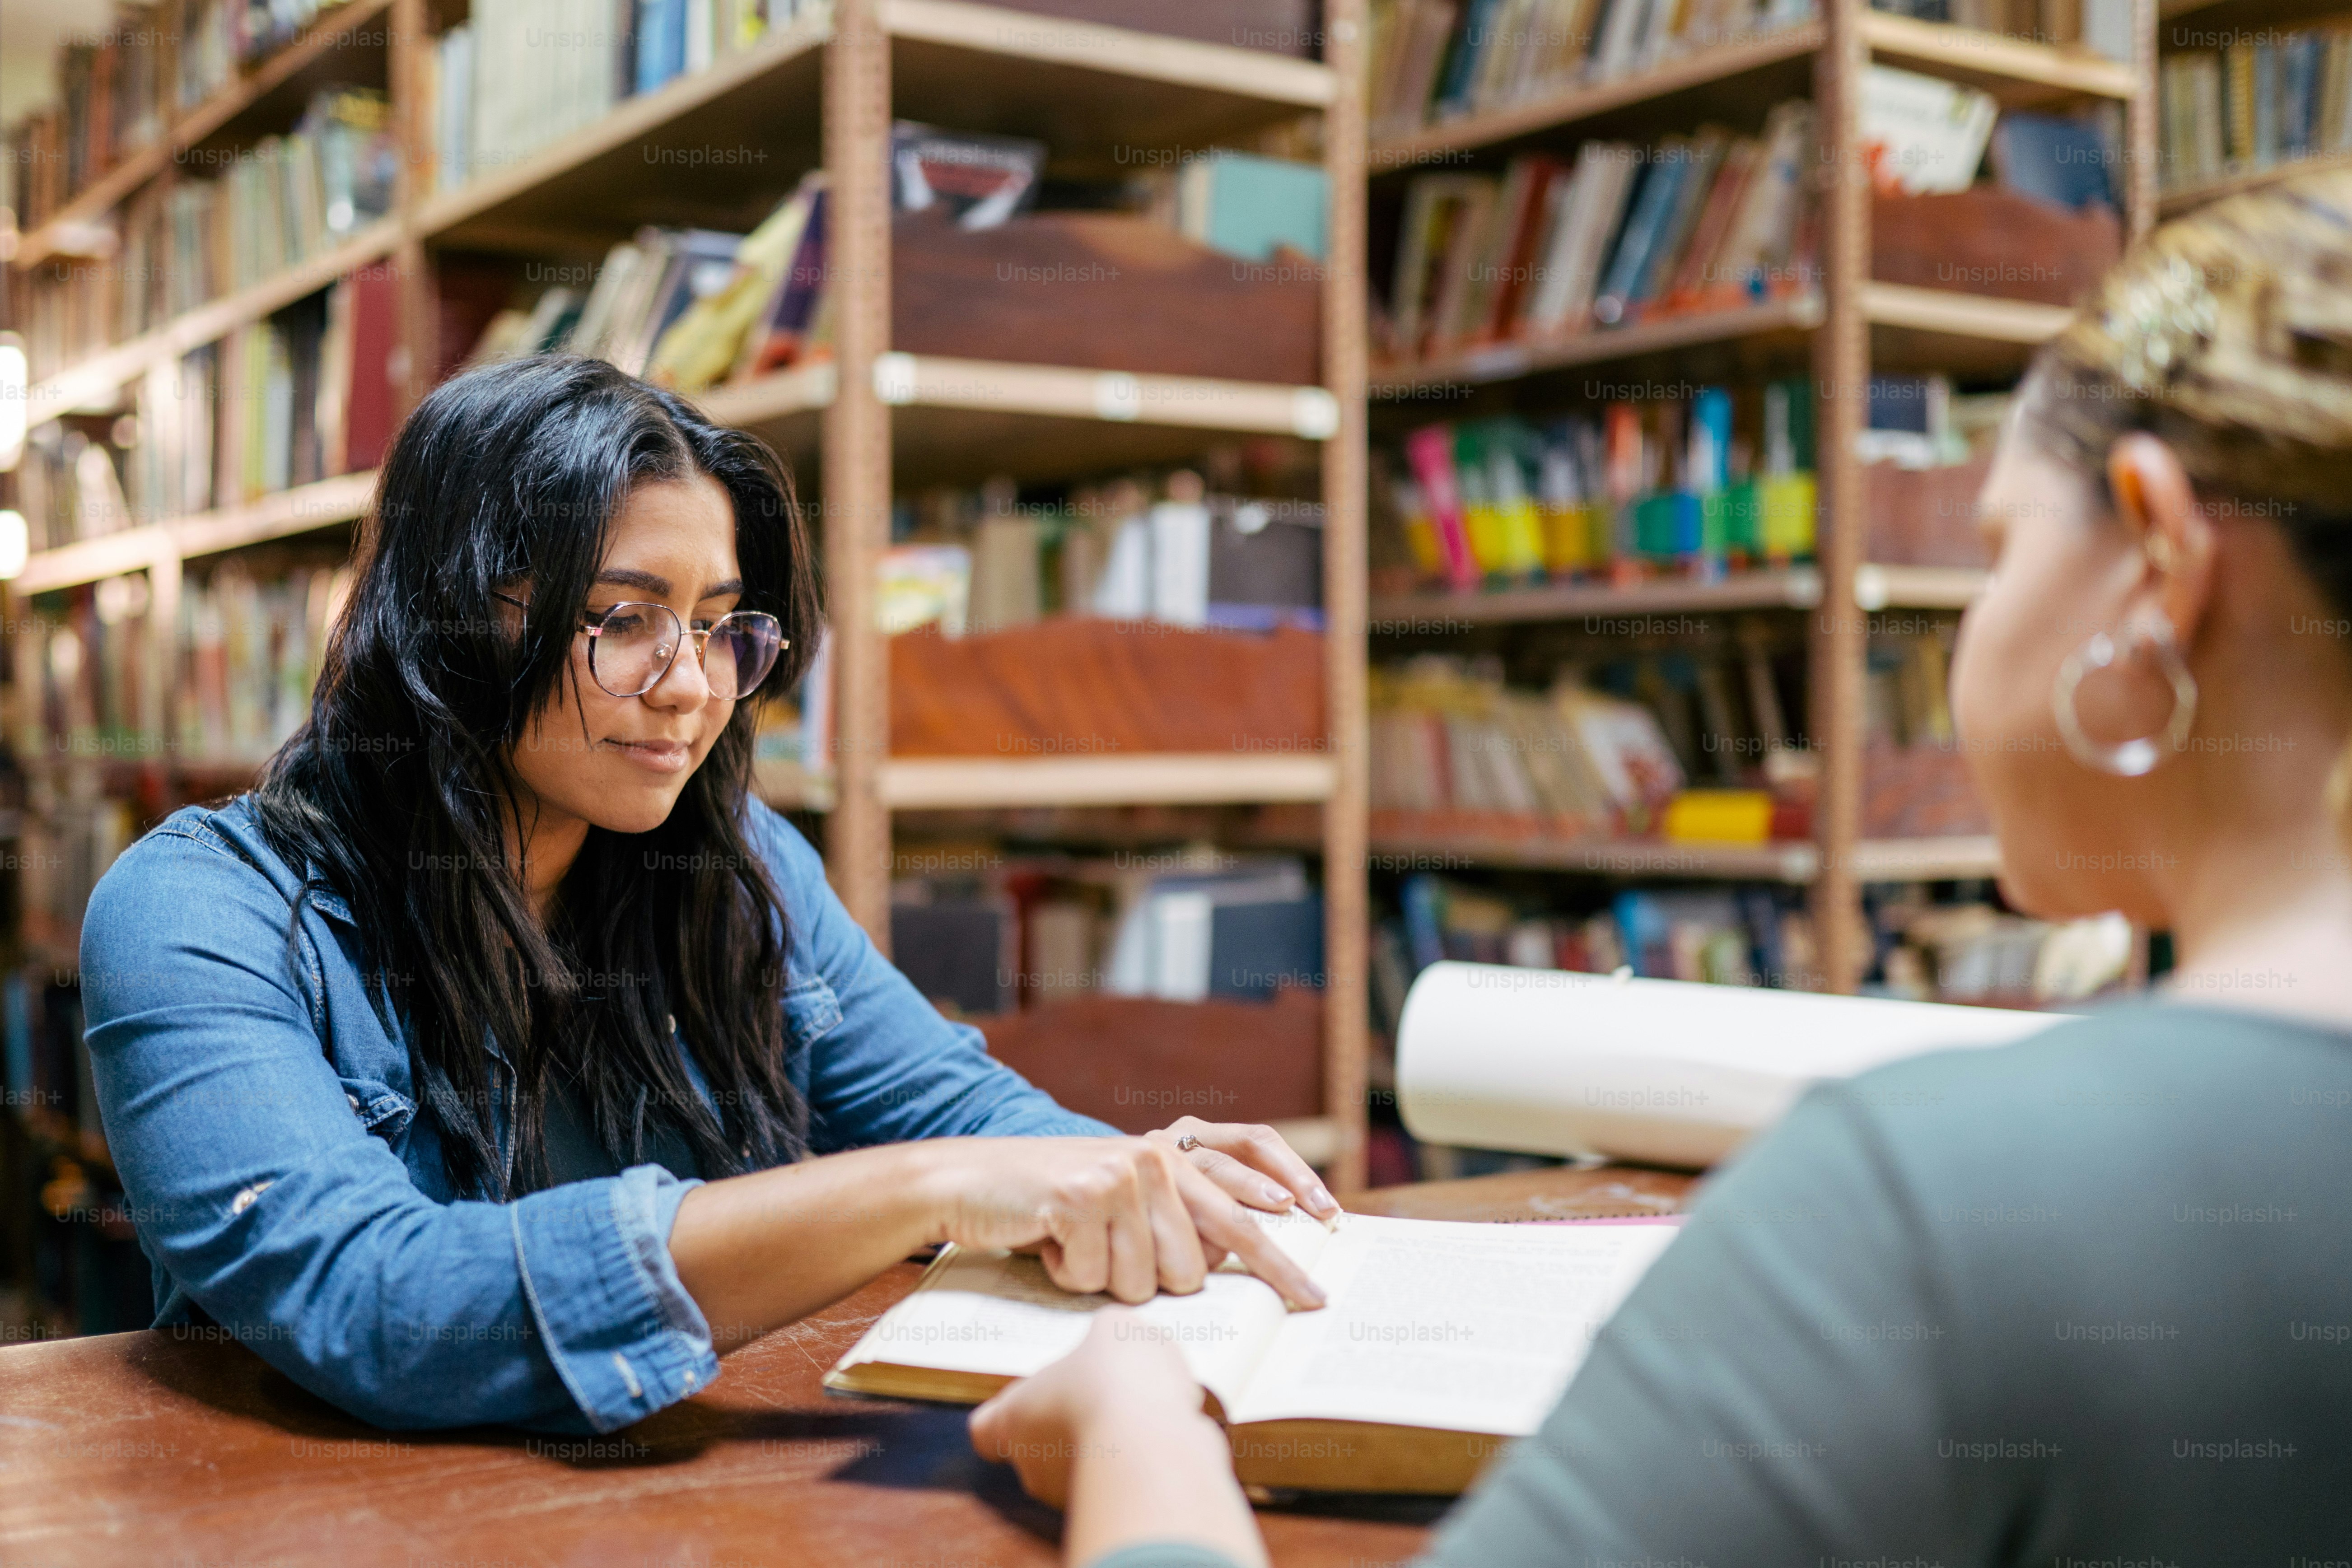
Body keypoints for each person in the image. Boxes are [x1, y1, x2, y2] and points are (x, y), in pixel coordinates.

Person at [965, 173, 2352, 1565]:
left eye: (1995, 548)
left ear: (2160, 556)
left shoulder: (1926, 1200)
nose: (1978, 619)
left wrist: (1141, 1423)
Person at [80, 355, 1334, 1436]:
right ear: (452, 620)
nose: (689, 686)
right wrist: (927, 1186)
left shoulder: (738, 868)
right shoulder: (200, 915)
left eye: (725, 627)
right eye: (624, 620)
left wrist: (1134, 1173)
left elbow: (954, 1109)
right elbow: (373, 1303)